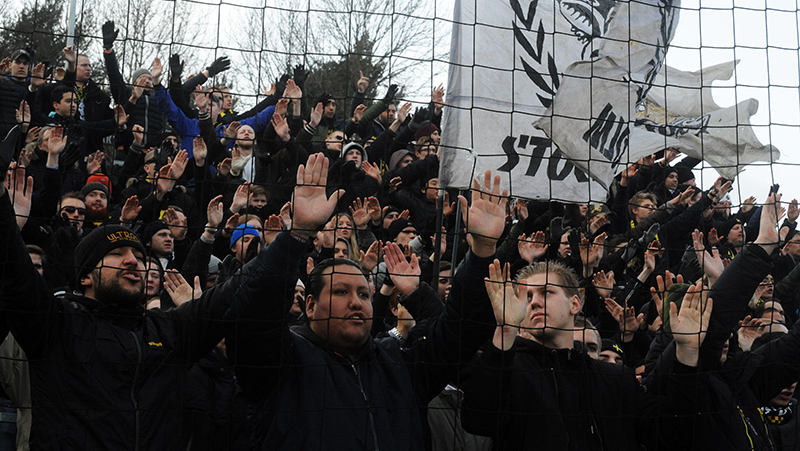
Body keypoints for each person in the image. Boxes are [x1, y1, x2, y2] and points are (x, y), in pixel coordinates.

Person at [225, 155, 500, 450]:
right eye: (341, 292)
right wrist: (296, 235)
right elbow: (253, 316)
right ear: (309, 305)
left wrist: (483, 250)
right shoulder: (281, 362)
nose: (356, 302)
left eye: (364, 294)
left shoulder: (399, 362)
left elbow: (460, 333)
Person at [0, 156, 240, 449]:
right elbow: (14, 274)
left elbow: (243, 289)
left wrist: (293, 238)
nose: (132, 262)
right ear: (85, 277)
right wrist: (7, 217)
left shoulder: (167, 331)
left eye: (139, 257)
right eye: (117, 254)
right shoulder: (56, 324)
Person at [461, 258, 713, 450]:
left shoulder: (616, 378)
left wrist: (688, 352)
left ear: (575, 304)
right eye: (526, 298)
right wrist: (504, 331)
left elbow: (674, 435)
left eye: (545, 292)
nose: (534, 302)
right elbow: (478, 421)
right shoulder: (506, 368)